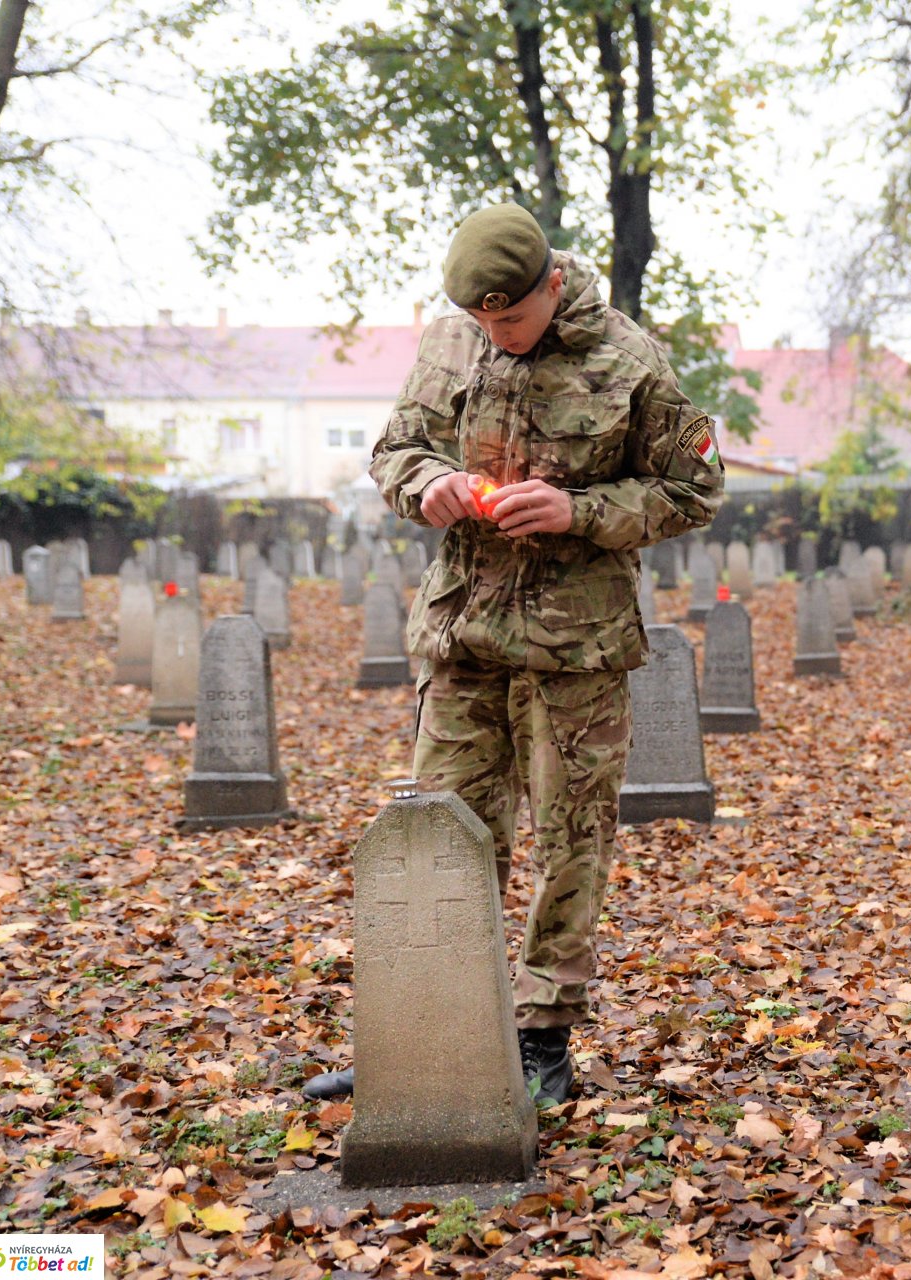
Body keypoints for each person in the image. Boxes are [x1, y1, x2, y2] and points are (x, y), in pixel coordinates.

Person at [305, 203, 725, 1104]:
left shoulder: (629, 360)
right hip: (463, 637)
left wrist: (582, 511)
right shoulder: (450, 344)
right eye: (482, 319)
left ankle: (541, 1041)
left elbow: (695, 487)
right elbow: (395, 450)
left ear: (554, 284)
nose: (497, 334)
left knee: (570, 841)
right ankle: (428, 1031)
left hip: (576, 648)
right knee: (441, 836)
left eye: (514, 318)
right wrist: (430, 485)